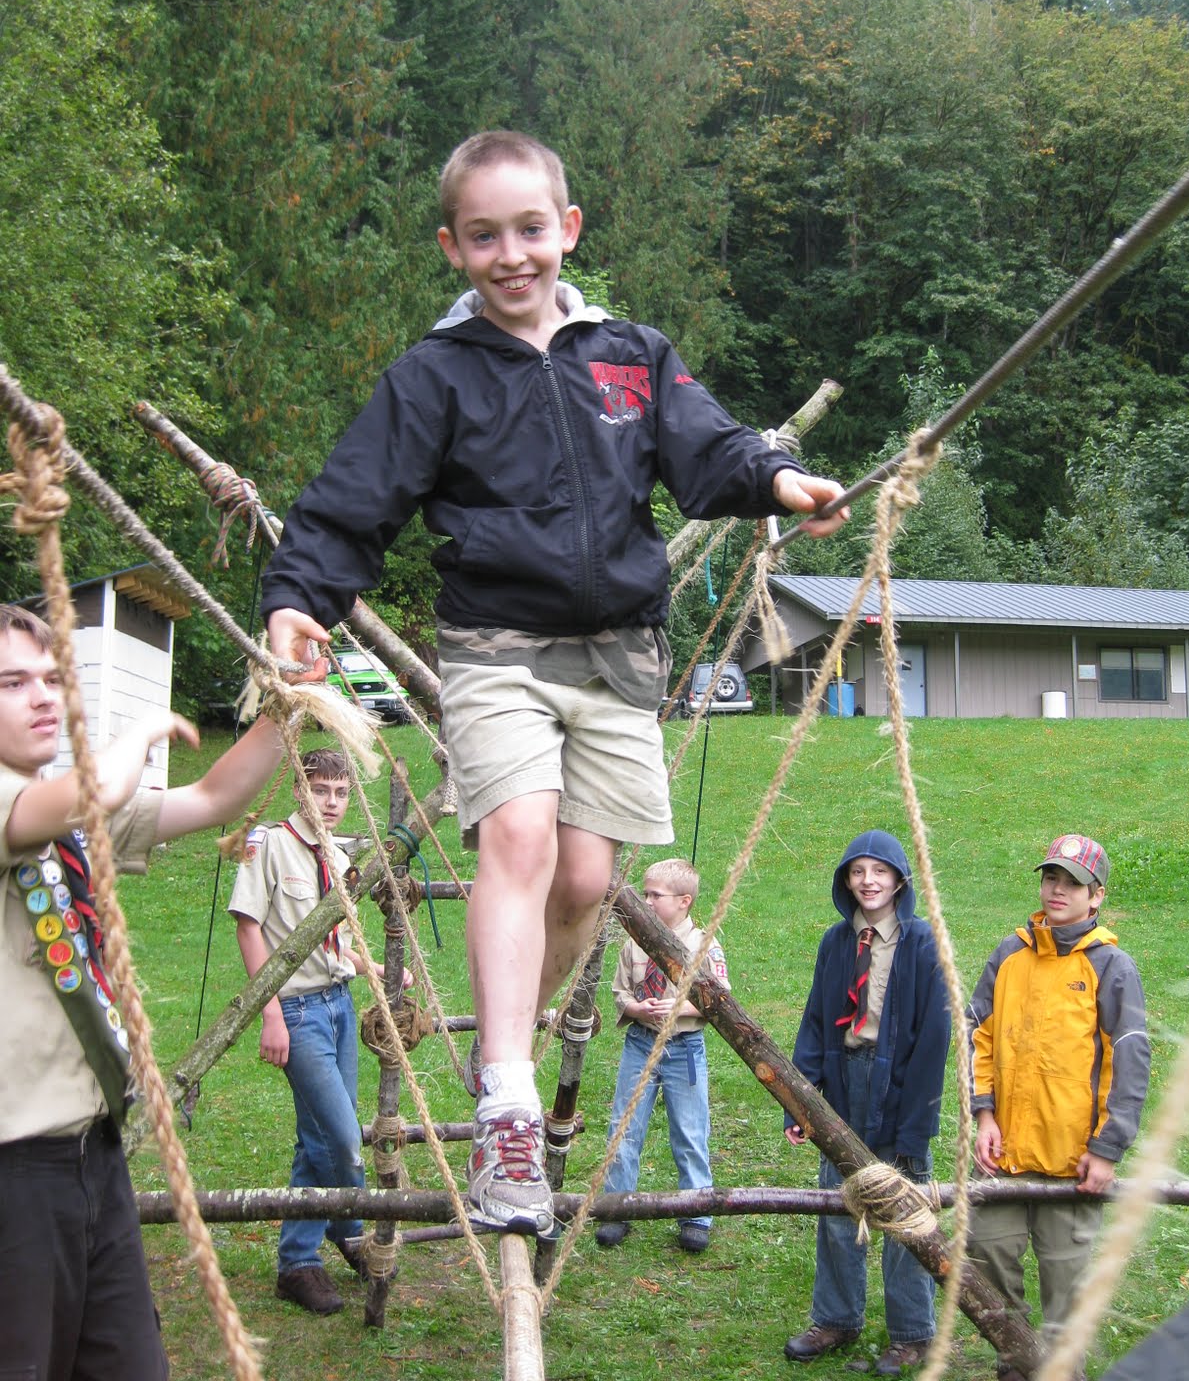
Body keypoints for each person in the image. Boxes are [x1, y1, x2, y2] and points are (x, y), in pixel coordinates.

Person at [261, 129, 849, 1238]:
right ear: (452, 247)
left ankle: (508, 1052)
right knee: (520, 840)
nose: (511, 253)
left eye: (530, 227)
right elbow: (351, 502)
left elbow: (710, 452)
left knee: (583, 882)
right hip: (498, 648)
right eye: (484, 234)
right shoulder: (434, 378)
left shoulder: (630, 354)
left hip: (621, 655)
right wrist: (299, 591)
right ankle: (509, 1099)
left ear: (567, 228)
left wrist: (781, 477)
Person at [0, 601, 284, 1380]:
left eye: (52, 677)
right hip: (14, 1176)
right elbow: (94, 793)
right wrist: (137, 731)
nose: (41, 696)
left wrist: (288, 701)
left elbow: (213, 799)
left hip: (95, 1154)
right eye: (11, 681)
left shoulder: (55, 814)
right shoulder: (26, 804)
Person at [228, 746, 405, 1316]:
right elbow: (250, 928)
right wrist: (270, 1011)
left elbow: (333, 937)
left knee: (318, 1138)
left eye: (341, 792)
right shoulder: (271, 844)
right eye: (320, 790)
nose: (331, 803)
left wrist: (369, 967)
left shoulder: (334, 851)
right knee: (343, 1138)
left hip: (338, 1007)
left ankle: (298, 1262)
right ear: (299, 789)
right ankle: (345, 1225)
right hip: (298, 1012)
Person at [967, 834, 1149, 1381]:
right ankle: (1017, 1363)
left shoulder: (1113, 966)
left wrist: (1107, 1149)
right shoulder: (1009, 953)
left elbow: (1131, 1061)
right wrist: (984, 1116)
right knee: (986, 1257)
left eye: (1072, 883)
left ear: (1096, 897)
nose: (1057, 890)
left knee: (1066, 1286)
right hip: (1004, 1154)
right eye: (1051, 879)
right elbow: (978, 1035)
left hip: (1075, 1162)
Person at [784, 830, 950, 1376]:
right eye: (857, 872)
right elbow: (813, 1024)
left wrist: (915, 1125)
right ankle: (836, 1317)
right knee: (836, 1203)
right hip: (843, 1080)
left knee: (904, 1211)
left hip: (898, 1085)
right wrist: (800, 1103)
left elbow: (933, 1039)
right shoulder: (837, 943)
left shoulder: (920, 942)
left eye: (879, 872)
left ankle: (911, 1332)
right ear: (845, 881)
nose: (868, 882)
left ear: (899, 880)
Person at [595, 858, 727, 1255]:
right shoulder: (634, 944)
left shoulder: (703, 945)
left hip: (683, 1049)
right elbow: (620, 992)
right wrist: (636, 1009)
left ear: (684, 901)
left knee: (689, 1131)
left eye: (655, 895)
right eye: (645, 892)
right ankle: (616, 1208)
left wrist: (677, 1009)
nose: (646, 901)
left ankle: (697, 1212)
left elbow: (719, 1000)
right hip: (640, 1043)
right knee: (624, 1127)